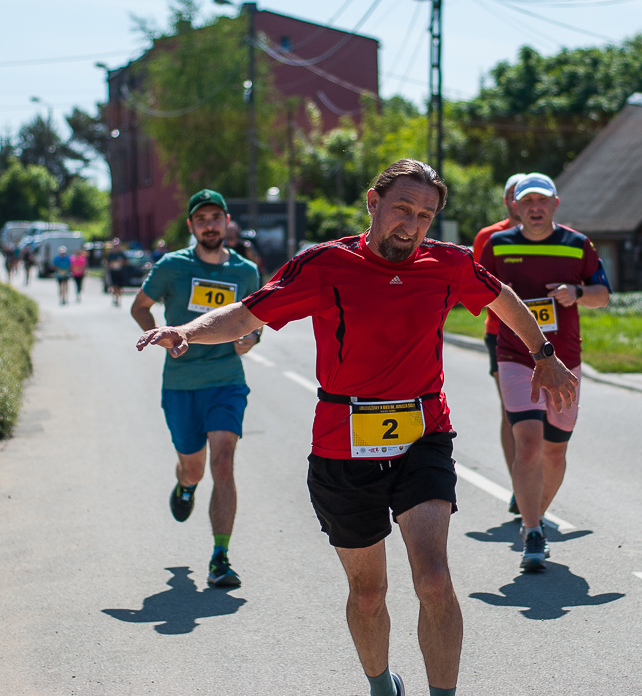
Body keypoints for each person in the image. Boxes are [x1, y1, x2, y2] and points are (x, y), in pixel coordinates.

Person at [137, 160, 577, 696]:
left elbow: (501, 297)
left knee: (434, 580)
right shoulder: (325, 265)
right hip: (342, 446)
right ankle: (380, 684)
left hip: (423, 435)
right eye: (402, 209)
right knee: (369, 593)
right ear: (373, 202)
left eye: (425, 216)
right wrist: (187, 330)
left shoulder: (448, 263)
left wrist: (544, 355)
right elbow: (248, 314)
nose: (412, 225)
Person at [477, 173, 610, 572]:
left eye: (542, 201)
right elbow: (477, 292)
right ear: (514, 206)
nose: (535, 208)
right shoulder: (498, 244)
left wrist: (577, 293)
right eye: (527, 202)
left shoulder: (577, 244)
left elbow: (603, 295)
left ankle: (534, 512)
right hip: (516, 356)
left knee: (554, 450)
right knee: (529, 442)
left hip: (565, 358)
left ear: (555, 204)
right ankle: (533, 530)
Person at [130, 190, 261, 589]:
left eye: (215, 217)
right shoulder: (173, 266)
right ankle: (186, 485)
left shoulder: (245, 272)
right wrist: (160, 336)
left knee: (223, 461)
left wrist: (252, 338)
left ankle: (220, 557)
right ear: (191, 226)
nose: (209, 225)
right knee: (194, 468)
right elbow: (139, 306)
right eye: (201, 219)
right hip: (181, 385)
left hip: (226, 380)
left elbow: (256, 320)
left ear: (227, 222)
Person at [472, 173, 524, 513]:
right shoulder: (489, 237)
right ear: (506, 200)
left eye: (531, 196)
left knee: (548, 414)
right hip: (501, 334)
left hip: (551, 336)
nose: (523, 202)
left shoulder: (557, 237)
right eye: (516, 195)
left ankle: (537, 476)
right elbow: (476, 284)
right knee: (513, 409)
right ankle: (521, 485)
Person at [107, 238, 126, 307]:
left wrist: (122, 262)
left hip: (120, 272)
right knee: (114, 286)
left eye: (117, 246)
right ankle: (115, 298)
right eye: (115, 246)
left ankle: (119, 299)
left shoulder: (121, 254)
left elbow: (127, 262)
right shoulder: (111, 254)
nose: (116, 247)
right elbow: (108, 263)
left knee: (120, 287)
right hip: (113, 272)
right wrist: (111, 264)